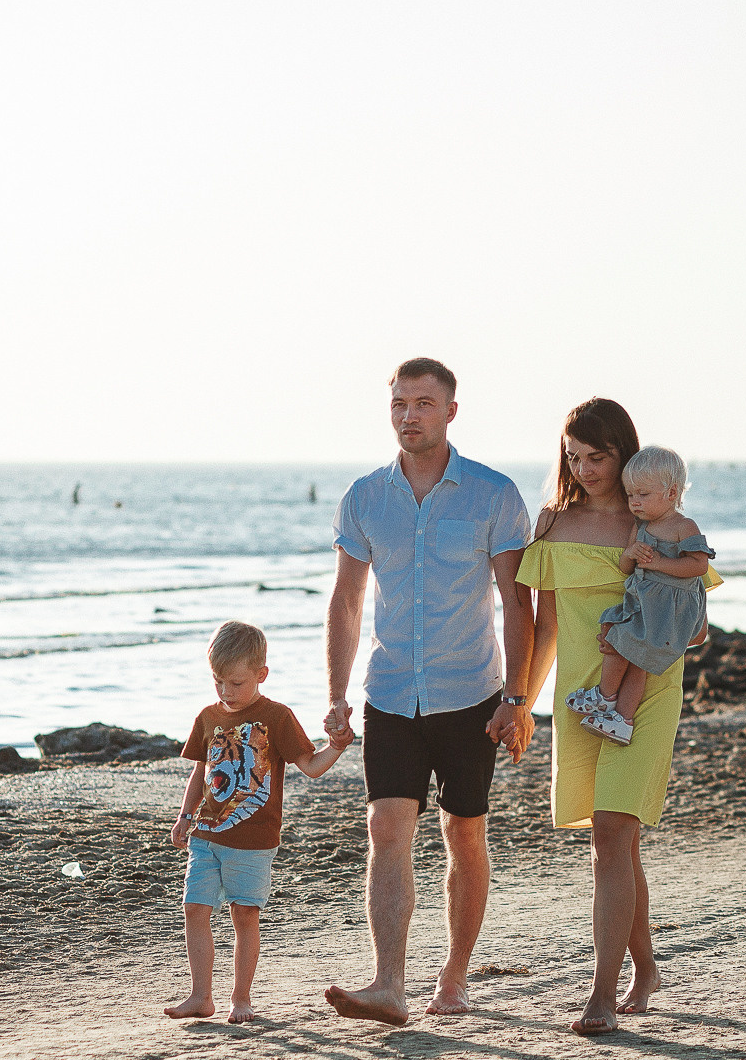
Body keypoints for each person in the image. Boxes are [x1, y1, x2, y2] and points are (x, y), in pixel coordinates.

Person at [321, 358, 534, 1026]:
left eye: (423, 403)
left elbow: (516, 601)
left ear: (450, 411)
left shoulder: (493, 494)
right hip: (390, 693)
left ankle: (455, 974)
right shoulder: (365, 497)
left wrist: (518, 696)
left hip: (471, 693)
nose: (409, 415)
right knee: (387, 826)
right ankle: (389, 982)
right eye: (398, 404)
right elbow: (348, 599)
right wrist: (336, 693)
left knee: (463, 831)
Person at [512, 399, 720, 1036]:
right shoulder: (553, 526)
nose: (585, 468)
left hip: (646, 689)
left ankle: (601, 994)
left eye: (597, 457)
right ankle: (645, 970)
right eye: (574, 457)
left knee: (610, 833)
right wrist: (519, 702)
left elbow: (698, 627)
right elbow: (545, 628)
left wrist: (651, 610)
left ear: (625, 456)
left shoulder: (657, 525)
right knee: (616, 843)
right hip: (579, 693)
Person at [166, 620, 346, 1024]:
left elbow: (311, 766)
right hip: (206, 835)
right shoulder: (208, 716)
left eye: (235, 683)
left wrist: (336, 746)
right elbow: (201, 770)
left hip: (253, 841)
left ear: (261, 675)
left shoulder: (277, 716)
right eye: (218, 683)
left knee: (244, 914)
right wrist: (184, 816)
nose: (226, 694)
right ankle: (200, 996)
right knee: (194, 908)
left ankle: (241, 998)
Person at [565, 446, 714, 746]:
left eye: (642, 495)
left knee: (626, 646)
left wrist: (660, 563)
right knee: (628, 651)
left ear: (671, 493)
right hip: (643, 603)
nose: (634, 502)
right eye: (630, 494)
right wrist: (630, 553)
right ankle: (621, 718)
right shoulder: (641, 528)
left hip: (668, 607)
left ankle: (609, 700)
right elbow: (625, 566)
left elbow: (698, 565)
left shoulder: (684, 527)